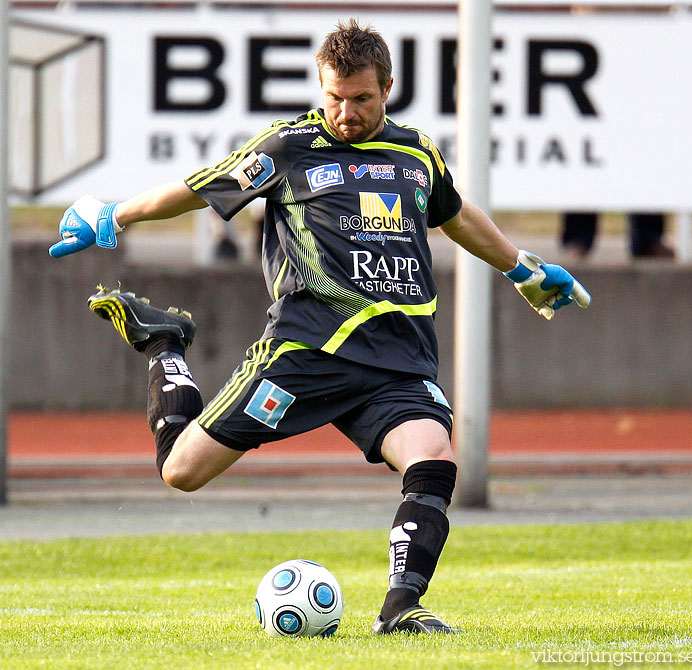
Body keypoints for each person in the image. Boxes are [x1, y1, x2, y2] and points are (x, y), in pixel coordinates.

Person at [49, 20, 589, 635]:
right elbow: (200, 189)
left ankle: (400, 608)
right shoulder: (290, 147)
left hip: (399, 355)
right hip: (307, 349)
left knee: (433, 456)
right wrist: (114, 215)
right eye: (334, 96)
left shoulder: (414, 152)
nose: (345, 111)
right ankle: (165, 342)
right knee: (181, 470)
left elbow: (457, 215)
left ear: (388, 87)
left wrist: (523, 268)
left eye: (360, 98)